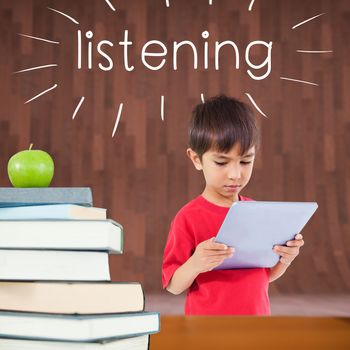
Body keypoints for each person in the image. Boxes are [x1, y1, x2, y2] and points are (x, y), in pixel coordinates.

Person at [162, 94, 305, 315]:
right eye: (221, 162)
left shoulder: (257, 213)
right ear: (196, 159)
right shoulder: (188, 217)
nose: (235, 174)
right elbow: (173, 285)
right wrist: (197, 262)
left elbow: (263, 276)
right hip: (207, 333)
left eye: (246, 161)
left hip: (256, 330)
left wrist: (285, 258)